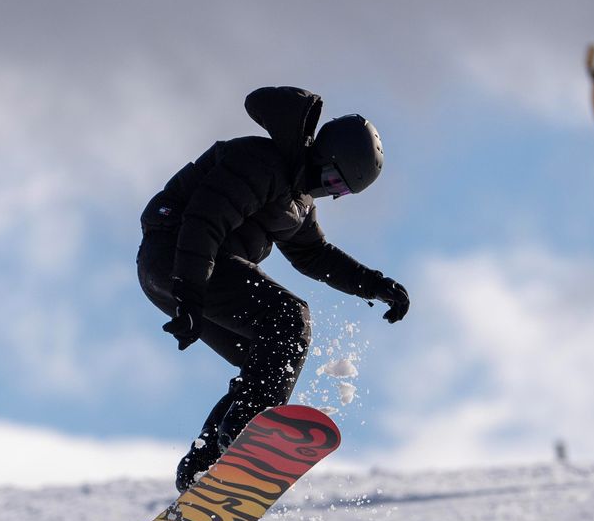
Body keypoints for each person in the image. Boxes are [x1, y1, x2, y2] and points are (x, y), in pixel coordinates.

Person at [137, 86, 410, 492]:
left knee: (269, 359)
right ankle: (242, 433)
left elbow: (314, 255)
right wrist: (190, 293)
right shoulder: (261, 163)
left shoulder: (296, 200)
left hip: (185, 274)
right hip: (178, 256)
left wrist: (375, 284)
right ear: (324, 156)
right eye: (334, 178)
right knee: (289, 320)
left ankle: (204, 465)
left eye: (341, 191)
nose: (329, 190)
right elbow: (203, 221)